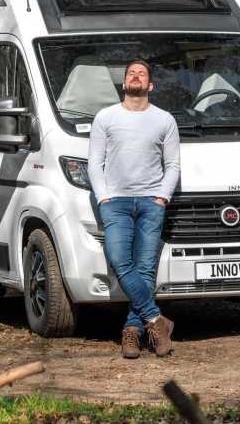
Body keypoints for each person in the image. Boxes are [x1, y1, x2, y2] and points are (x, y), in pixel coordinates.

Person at [88, 60, 181, 359]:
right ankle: (156, 319)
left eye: (141, 73)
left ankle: (132, 331)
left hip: (151, 202)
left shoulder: (164, 120)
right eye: (131, 73)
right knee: (118, 259)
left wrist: (162, 197)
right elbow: (94, 162)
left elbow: (173, 165)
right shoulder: (106, 117)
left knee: (144, 269)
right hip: (115, 203)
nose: (136, 76)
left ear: (150, 84)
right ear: (124, 83)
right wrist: (103, 197)